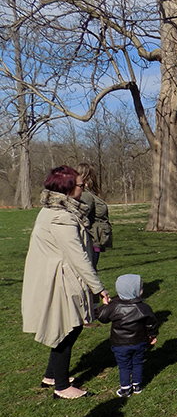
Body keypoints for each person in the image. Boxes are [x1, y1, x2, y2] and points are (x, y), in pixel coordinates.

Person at [21, 165, 111, 399]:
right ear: (69, 188)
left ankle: (51, 375)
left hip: (55, 274)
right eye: (81, 185)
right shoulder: (61, 217)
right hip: (59, 278)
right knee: (68, 329)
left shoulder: (51, 210)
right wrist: (98, 288)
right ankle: (62, 387)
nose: (83, 189)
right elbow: (78, 256)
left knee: (66, 326)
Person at [97, 274, 159, 398]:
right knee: (138, 363)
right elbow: (151, 323)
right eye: (140, 288)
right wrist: (152, 335)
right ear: (136, 292)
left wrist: (105, 305)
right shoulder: (143, 308)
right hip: (139, 342)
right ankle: (137, 385)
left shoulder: (114, 307)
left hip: (120, 344)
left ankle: (125, 389)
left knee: (124, 366)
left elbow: (102, 317)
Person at [76, 162, 113, 269]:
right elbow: (81, 217)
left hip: (95, 239)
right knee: (90, 271)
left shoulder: (89, 193)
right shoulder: (85, 195)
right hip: (91, 239)